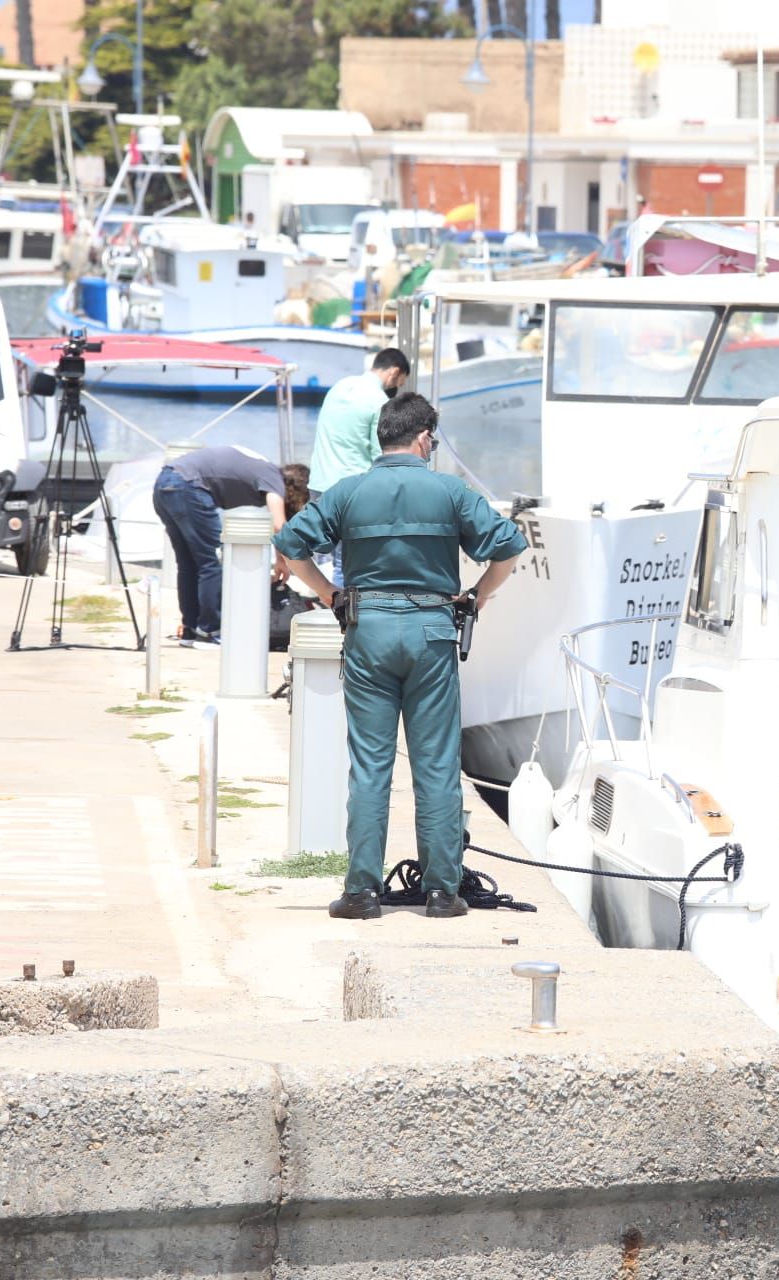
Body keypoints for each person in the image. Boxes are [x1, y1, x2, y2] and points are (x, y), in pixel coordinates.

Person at [275, 392, 527, 920]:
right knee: (435, 765)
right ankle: (442, 892)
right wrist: (477, 596)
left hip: (367, 630)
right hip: (433, 631)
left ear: (381, 437)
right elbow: (508, 548)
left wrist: (329, 594)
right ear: (424, 438)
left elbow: (291, 547)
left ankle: (362, 892)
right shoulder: (450, 491)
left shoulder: (348, 491)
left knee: (370, 766)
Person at [151, 446, 309, 646]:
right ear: (295, 488)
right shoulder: (274, 478)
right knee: (211, 563)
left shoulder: (262, 469)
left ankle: (191, 629)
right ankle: (209, 631)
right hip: (188, 485)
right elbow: (279, 524)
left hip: (164, 483)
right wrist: (281, 561)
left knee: (189, 564)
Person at [306, 347, 410, 586]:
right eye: (399, 383)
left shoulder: (339, 387)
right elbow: (380, 455)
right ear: (394, 373)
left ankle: (320, 616)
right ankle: (341, 622)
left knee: (322, 561)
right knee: (347, 567)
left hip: (319, 485)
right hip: (351, 492)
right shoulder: (379, 402)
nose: (395, 389)